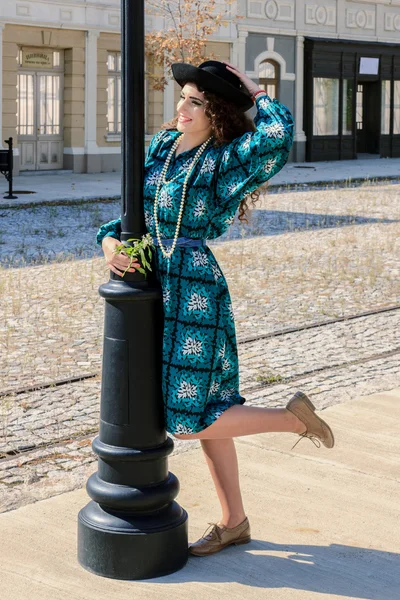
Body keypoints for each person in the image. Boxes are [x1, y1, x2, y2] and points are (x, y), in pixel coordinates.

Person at [96, 60, 335, 557]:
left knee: (187, 417)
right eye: (182, 97)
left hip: (193, 293)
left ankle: (293, 419)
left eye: (195, 101)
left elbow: (278, 135)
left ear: (218, 111)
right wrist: (108, 246)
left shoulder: (224, 159)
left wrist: (252, 89)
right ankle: (234, 521)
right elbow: (128, 213)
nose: (181, 108)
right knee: (210, 411)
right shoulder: (162, 147)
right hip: (152, 288)